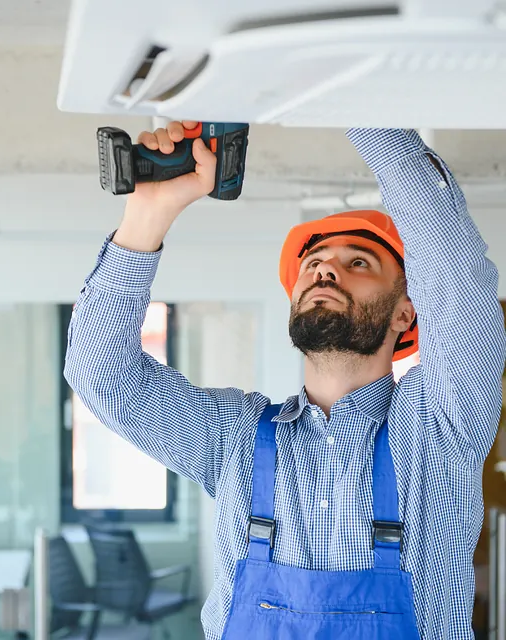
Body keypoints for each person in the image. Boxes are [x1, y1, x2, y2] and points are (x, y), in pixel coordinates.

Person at [64, 122, 506, 639]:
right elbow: (100, 371)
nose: (324, 272)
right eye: (313, 263)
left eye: (357, 262)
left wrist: (342, 93)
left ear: (406, 315)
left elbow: (458, 277)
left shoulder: (441, 424)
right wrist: (149, 212)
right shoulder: (235, 436)